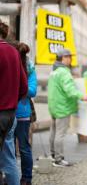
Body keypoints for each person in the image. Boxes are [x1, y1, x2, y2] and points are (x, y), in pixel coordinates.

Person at [48, 48, 87, 167]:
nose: (71, 59)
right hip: (63, 107)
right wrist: (82, 96)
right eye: (69, 57)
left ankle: (53, 155)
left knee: (54, 132)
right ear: (63, 58)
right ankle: (58, 159)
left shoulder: (54, 71)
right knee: (60, 133)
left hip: (54, 106)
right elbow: (69, 90)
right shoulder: (64, 72)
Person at [0, 20, 28, 185]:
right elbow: (24, 87)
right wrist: (11, 100)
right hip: (11, 115)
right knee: (9, 158)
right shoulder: (13, 52)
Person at [12, 42, 37, 185]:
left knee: (21, 148)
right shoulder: (13, 66)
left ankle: (25, 178)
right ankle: (19, 178)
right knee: (15, 148)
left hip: (19, 113)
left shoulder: (29, 68)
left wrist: (16, 87)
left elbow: (33, 91)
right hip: (13, 113)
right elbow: (31, 91)